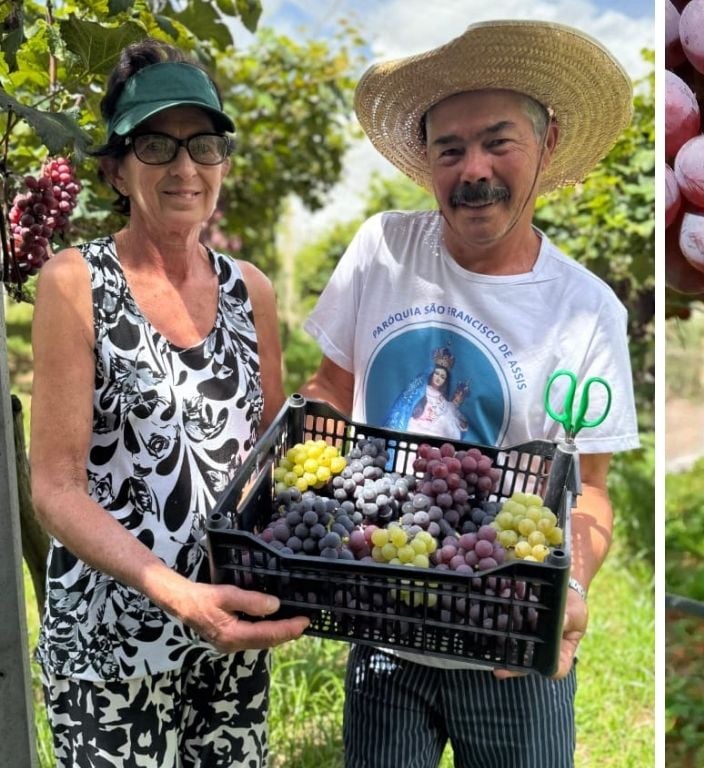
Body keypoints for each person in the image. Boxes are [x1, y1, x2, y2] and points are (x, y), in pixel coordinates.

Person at [300, 19, 639, 768]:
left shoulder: (586, 313)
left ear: (546, 145)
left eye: (499, 141)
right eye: (449, 149)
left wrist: (570, 588)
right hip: (382, 630)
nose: (473, 170)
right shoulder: (381, 249)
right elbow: (328, 387)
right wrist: (302, 502)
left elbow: (591, 494)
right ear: (427, 161)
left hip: (509, 648)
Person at [27, 39, 308, 766]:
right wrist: (176, 594)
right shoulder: (74, 282)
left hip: (231, 639)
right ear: (116, 168)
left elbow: (269, 467)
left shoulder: (253, 291)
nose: (186, 168)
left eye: (204, 144)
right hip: (111, 649)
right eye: (156, 144)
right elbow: (54, 489)